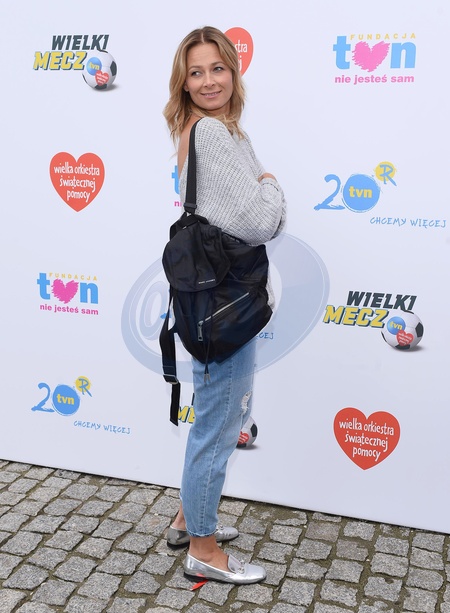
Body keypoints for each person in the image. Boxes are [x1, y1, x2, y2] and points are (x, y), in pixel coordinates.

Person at [162, 26, 287, 585]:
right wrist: (272, 183)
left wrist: (259, 185)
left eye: (217, 68)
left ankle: (187, 519)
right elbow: (261, 219)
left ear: (233, 71)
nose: (209, 80)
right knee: (217, 424)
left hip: (209, 299)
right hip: (225, 304)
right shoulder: (213, 133)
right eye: (196, 72)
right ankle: (203, 550)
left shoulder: (202, 128)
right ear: (184, 83)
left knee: (214, 414)